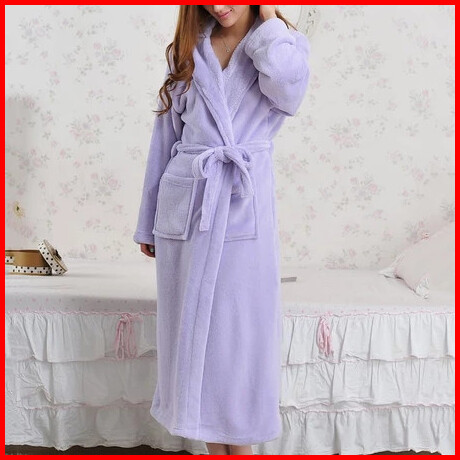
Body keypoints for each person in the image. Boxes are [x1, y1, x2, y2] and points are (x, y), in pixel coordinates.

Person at [133, 5, 311, 455]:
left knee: (237, 344)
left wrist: (269, 20)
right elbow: (164, 137)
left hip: (240, 204)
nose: (218, 5)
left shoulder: (282, 45)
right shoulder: (185, 51)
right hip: (189, 206)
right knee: (202, 350)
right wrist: (149, 221)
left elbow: (289, 94)